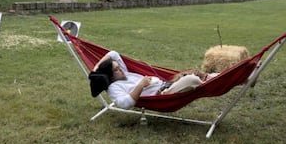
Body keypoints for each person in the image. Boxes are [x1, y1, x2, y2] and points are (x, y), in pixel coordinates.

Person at [89, 50, 218, 109]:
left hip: (168, 85)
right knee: (191, 79)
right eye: (117, 69)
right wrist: (141, 85)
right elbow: (125, 104)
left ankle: (222, 78)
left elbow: (113, 54)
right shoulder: (114, 87)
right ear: (111, 76)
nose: (121, 69)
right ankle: (209, 85)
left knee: (197, 74)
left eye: (118, 67)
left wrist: (95, 69)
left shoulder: (125, 74)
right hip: (164, 96)